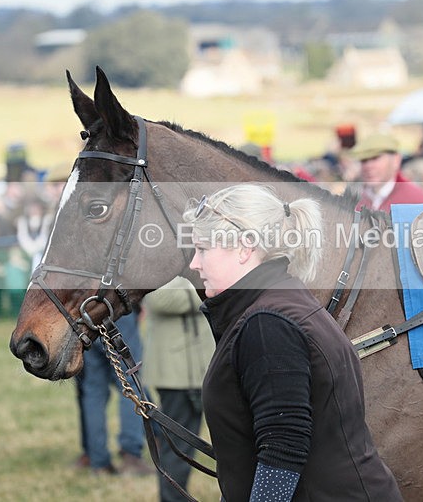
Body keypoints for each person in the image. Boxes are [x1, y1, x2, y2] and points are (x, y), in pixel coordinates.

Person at [184, 184, 403, 501]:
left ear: (246, 247)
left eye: (203, 249)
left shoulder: (267, 323)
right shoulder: (278, 299)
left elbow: (283, 444)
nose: (194, 263)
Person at [142, 276, 215, 502]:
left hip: (190, 372)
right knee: (178, 452)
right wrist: (212, 289)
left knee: (181, 449)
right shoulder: (160, 268)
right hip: (178, 374)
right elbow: (159, 299)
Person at [76, 310, 154, 476]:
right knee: (131, 383)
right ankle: (131, 457)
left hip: (88, 317)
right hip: (117, 315)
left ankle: (99, 462)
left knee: (93, 391)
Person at [349, 133, 423, 212]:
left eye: (375, 158)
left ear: (396, 160)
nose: (368, 166)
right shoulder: (353, 200)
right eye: (364, 160)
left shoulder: (416, 200)